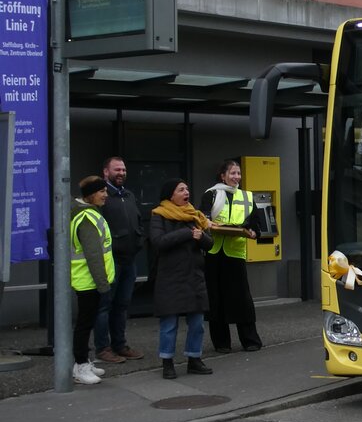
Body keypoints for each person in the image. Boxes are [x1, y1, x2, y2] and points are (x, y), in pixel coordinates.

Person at [149, 178, 214, 379]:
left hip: (194, 276)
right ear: (171, 195)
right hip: (171, 277)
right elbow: (158, 242)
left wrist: (201, 237)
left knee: (197, 324)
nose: (186, 192)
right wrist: (186, 233)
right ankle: (167, 362)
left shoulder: (194, 215)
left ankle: (194, 359)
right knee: (169, 325)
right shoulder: (159, 215)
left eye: (187, 189)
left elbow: (209, 244)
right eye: (181, 190)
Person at [201, 159, 263, 353]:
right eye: (233, 173)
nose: (237, 177)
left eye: (238, 173)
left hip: (235, 253)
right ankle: (221, 343)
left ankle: (250, 340)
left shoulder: (247, 196)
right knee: (215, 298)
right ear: (223, 176)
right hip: (213, 252)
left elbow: (256, 224)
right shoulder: (210, 194)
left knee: (242, 298)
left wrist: (253, 232)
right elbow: (202, 218)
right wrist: (208, 224)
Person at [94, 156, 144, 363]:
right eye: (117, 170)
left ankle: (120, 345)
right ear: (106, 172)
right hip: (110, 261)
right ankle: (103, 348)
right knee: (104, 306)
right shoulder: (102, 197)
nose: (121, 173)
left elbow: (138, 220)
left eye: (123, 169)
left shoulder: (128, 195)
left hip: (129, 260)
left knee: (122, 305)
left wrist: (139, 239)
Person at [69, 177, 116, 385]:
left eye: (105, 190)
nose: (105, 195)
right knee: (84, 324)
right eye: (101, 191)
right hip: (89, 281)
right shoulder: (87, 218)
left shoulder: (88, 213)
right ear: (90, 195)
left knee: (85, 323)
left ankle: (83, 362)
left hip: (89, 280)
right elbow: (94, 255)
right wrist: (103, 285)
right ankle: (80, 366)